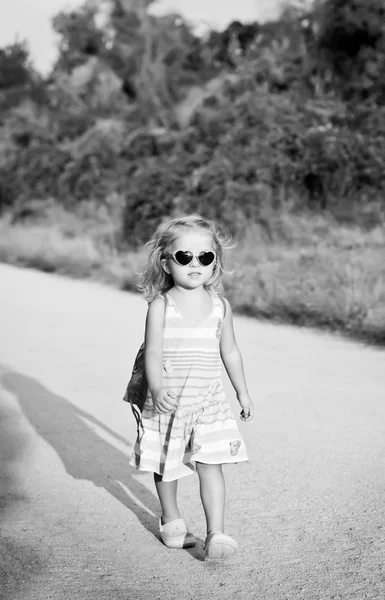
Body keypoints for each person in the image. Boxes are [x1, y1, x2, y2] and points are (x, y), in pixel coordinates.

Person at [129, 214, 254, 562]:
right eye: (184, 257)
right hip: (169, 397)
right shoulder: (161, 306)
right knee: (166, 462)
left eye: (205, 257)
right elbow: (152, 349)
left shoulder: (220, 308)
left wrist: (242, 392)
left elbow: (230, 350)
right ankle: (170, 518)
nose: (195, 264)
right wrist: (156, 386)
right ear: (166, 262)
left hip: (208, 401)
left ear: (216, 262)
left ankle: (217, 532)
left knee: (211, 464)